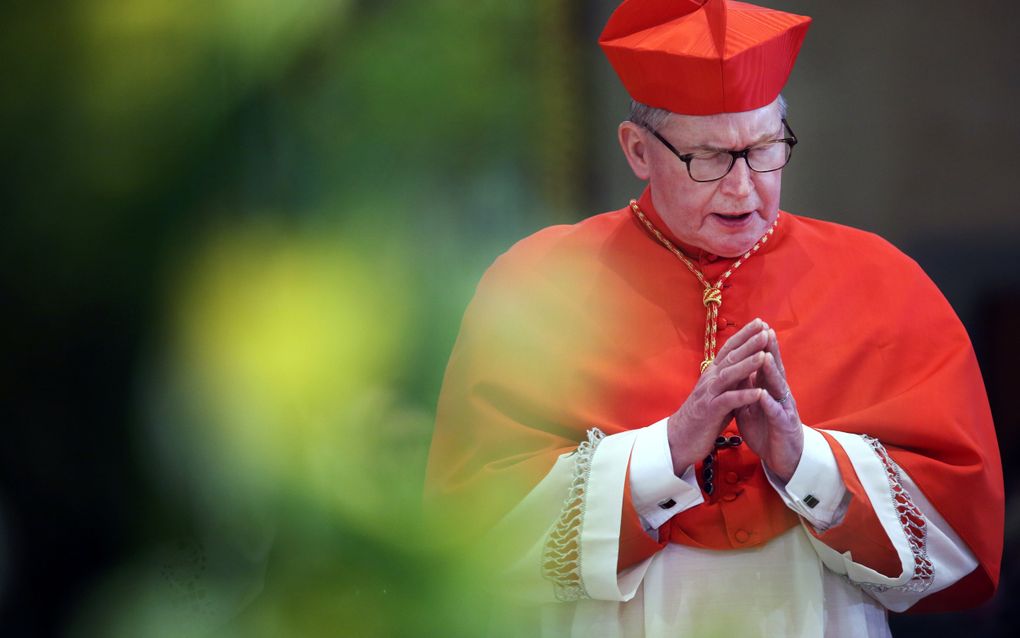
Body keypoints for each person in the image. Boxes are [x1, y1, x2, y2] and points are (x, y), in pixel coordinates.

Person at [425, 1, 1003, 635]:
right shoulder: (538, 286)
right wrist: (666, 451)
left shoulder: (884, 282)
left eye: (764, 150)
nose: (742, 189)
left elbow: (956, 538)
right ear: (638, 151)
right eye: (707, 159)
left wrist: (803, 461)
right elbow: (473, 537)